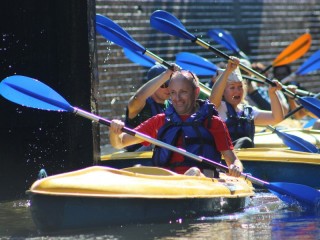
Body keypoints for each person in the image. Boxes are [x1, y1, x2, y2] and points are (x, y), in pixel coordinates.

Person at [109, 70, 243, 177]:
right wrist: (114, 131)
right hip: (169, 182)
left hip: (202, 181)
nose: (177, 98)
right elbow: (120, 143)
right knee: (137, 169)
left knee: (194, 171)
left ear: (196, 92)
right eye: (173, 93)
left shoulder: (213, 123)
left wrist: (235, 167)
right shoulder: (160, 120)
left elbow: (233, 159)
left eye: (183, 92)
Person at [209, 57, 285, 149]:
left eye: (240, 87)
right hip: (224, 159)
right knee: (245, 141)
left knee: (246, 141)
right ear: (223, 92)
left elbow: (277, 118)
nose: (237, 91)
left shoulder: (249, 111)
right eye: (232, 88)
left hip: (246, 159)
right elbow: (213, 98)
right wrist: (228, 70)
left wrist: (272, 93)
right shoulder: (218, 107)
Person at [125, 63, 180, 151]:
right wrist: (166, 75)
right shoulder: (141, 104)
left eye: (170, 84)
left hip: (162, 156)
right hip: (138, 158)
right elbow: (137, 98)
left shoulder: (173, 106)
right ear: (153, 85)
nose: (168, 88)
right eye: (163, 84)